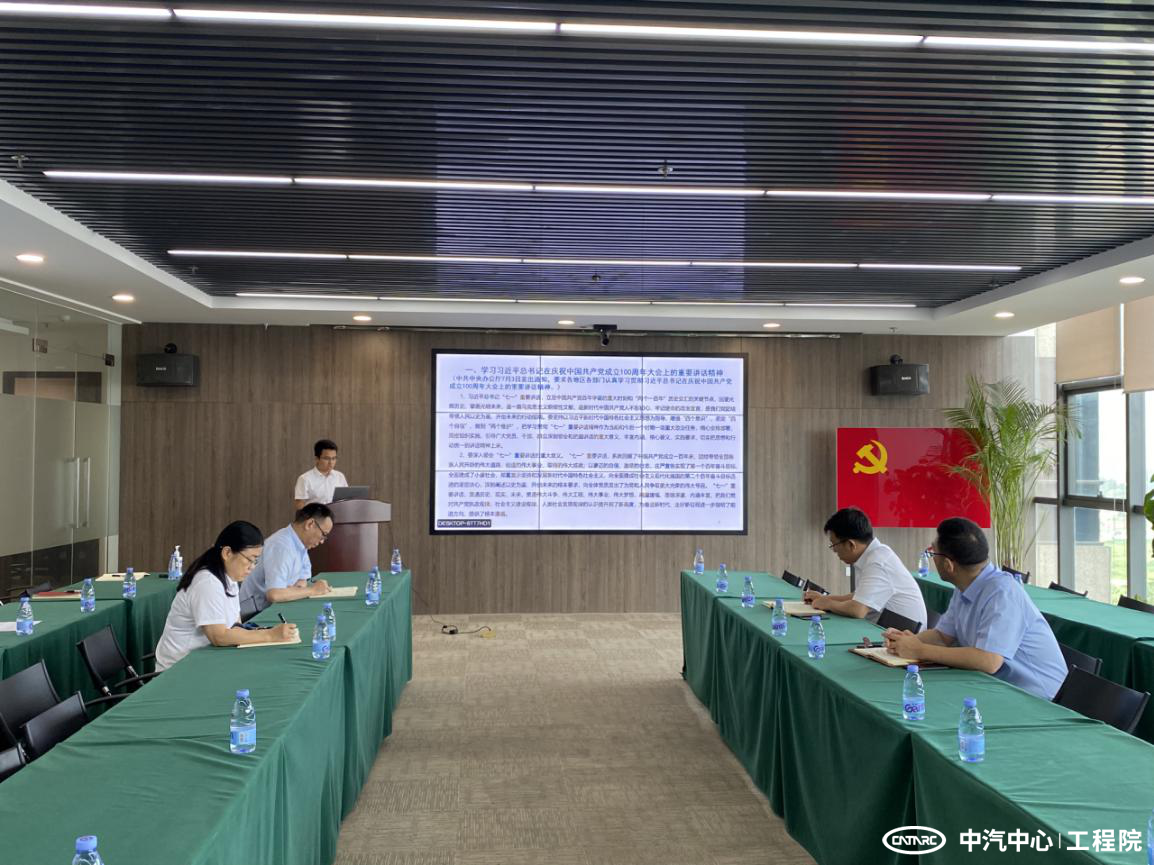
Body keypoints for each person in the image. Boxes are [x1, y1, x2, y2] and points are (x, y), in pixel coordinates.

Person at [883, 517, 1068, 700]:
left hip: (1040, 699)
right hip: (998, 688)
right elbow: (942, 636)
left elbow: (988, 661)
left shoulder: (1002, 593)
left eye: (933, 552)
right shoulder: (964, 585)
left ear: (948, 565)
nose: (931, 558)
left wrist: (919, 650)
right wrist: (906, 642)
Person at [154, 521, 297, 671]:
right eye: (250, 559)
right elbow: (219, 637)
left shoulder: (229, 578)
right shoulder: (207, 582)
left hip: (206, 661)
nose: (252, 567)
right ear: (227, 553)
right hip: (180, 670)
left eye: (256, 561)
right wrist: (270, 635)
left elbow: (235, 626)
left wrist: (262, 633)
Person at [803, 507, 928, 627]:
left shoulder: (878, 562)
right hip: (889, 630)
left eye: (834, 545)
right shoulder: (872, 555)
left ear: (851, 544)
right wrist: (825, 598)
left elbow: (857, 610)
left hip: (905, 636)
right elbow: (858, 596)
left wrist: (828, 603)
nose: (834, 551)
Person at [238, 503, 334, 618]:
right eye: (323, 535)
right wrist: (313, 590)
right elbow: (274, 595)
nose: (322, 541)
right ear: (310, 524)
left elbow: (303, 580)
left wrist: (297, 589)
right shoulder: (281, 546)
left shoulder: (300, 543)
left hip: (275, 607)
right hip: (255, 614)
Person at [294, 439, 348, 509]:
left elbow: (346, 500)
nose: (331, 462)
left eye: (334, 458)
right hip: (315, 515)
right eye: (327, 458)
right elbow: (300, 506)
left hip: (338, 514)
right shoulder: (305, 479)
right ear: (317, 459)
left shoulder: (340, 476)